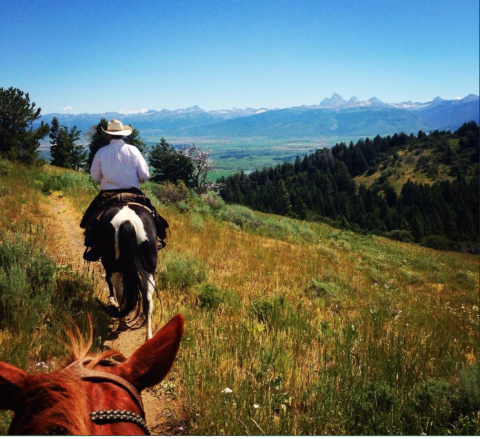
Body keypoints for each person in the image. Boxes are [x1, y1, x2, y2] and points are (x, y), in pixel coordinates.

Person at [80, 119, 168, 262]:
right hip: (133, 193)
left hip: (107, 195)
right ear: (123, 135)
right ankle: (156, 239)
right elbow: (145, 176)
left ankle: (93, 245)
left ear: (108, 135)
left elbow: (95, 178)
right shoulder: (133, 150)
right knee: (153, 215)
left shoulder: (101, 152)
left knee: (89, 220)